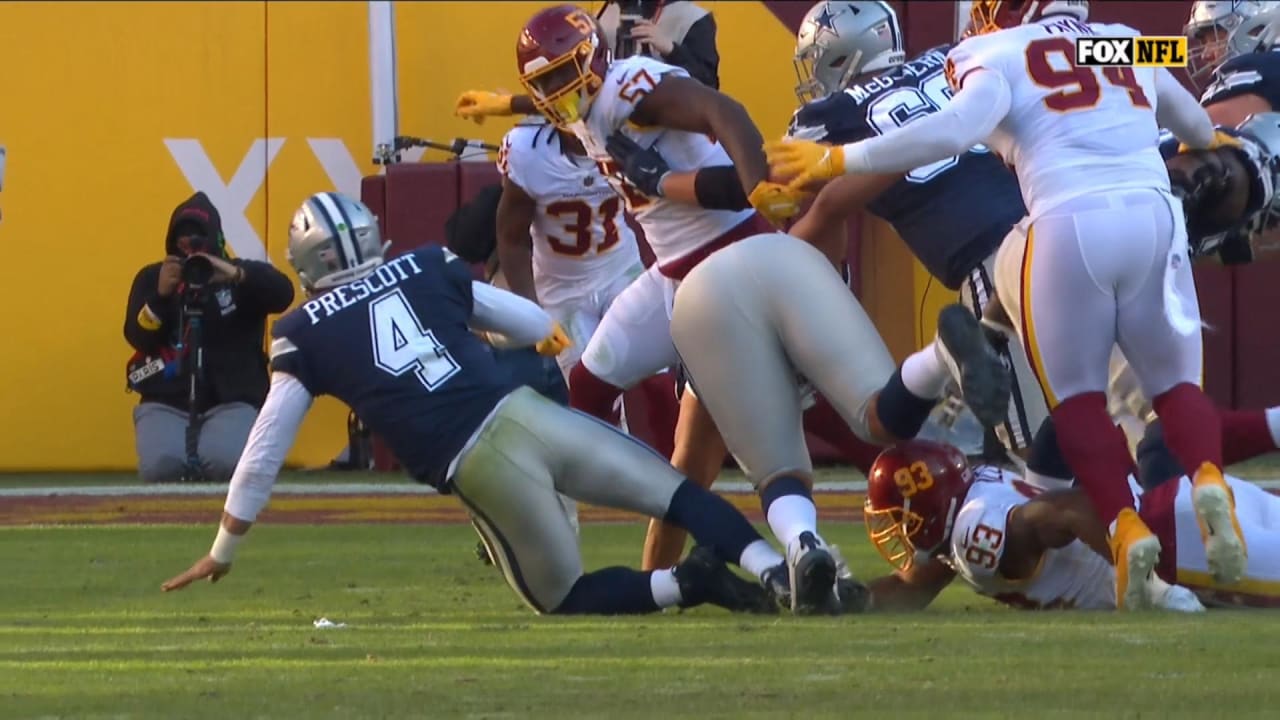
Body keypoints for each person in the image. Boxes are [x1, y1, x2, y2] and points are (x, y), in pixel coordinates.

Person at [766, 0, 1248, 610]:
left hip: (1035, 250)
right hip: (1144, 216)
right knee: (1164, 408)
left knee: (1062, 443)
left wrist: (832, 164)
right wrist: (1214, 135)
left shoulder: (979, 55)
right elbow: (1171, 74)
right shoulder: (1118, 39)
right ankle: (1204, 500)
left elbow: (946, 133)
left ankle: (1157, 571)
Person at [160, 191, 791, 617]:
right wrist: (523, 343)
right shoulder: (428, 265)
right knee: (677, 494)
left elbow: (267, 444)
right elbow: (528, 321)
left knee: (563, 598)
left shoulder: (302, 330)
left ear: (305, 260)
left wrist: (224, 546)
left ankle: (689, 583)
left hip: (478, 461)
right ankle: (777, 567)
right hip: (527, 412)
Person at [862, 439, 1280, 611]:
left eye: (900, 519)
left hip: (1179, 547)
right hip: (1186, 497)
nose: (896, 532)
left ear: (930, 510)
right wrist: (838, 598)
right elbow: (909, 585)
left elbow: (1066, 509)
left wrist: (1154, 585)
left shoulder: (973, 534)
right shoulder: (974, 498)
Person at [123, 191, 294, 483]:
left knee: (226, 465)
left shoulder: (237, 276)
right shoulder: (155, 278)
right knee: (161, 468)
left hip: (232, 399)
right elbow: (138, 337)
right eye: (183, 239)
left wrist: (236, 274)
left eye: (198, 240)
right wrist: (160, 297)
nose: (190, 248)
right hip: (167, 399)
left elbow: (283, 294)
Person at [597, 0, 719, 88]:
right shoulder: (603, 16)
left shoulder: (693, 18)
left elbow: (708, 83)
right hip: (605, 121)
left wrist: (671, 50)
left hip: (665, 119)